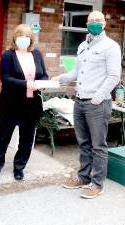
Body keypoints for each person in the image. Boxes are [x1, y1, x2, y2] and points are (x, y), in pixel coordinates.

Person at [52, 11, 121, 199]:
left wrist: (97, 97)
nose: (94, 23)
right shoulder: (83, 45)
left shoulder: (111, 46)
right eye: (91, 20)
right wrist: (62, 78)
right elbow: (77, 71)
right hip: (80, 101)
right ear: (86, 23)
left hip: (97, 103)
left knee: (98, 145)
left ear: (105, 23)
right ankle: (83, 177)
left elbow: (114, 76)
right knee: (83, 143)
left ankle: (97, 183)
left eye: (98, 20)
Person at [0, 24, 48, 181]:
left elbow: (44, 75)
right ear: (15, 38)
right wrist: (26, 84)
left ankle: (19, 167)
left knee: (27, 139)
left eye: (27, 37)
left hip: (31, 104)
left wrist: (43, 83)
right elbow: (6, 78)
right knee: (3, 137)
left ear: (31, 39)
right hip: (11, 103)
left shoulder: (36, 54)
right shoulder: (8, 55)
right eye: (20, 36)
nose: (24, 40)